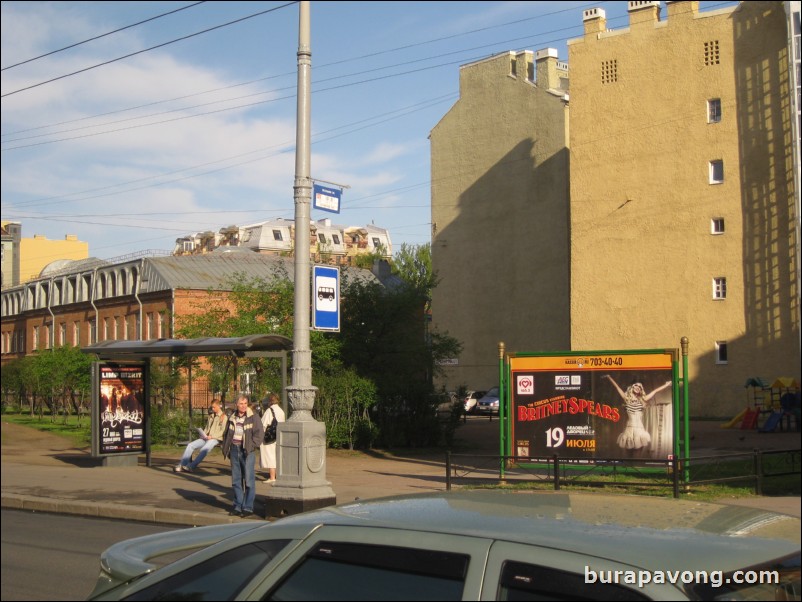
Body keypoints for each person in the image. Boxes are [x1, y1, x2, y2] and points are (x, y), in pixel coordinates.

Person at [221, 394, 264, 518]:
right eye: (241, 403)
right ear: (236, 405)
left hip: (247, 451)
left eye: (245, 403)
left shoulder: (253, 417)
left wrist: (252, 446)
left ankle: (248, 507)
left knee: (249, 480)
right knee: (236, 480)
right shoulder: (232, 417)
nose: (243, 406)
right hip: (234, 449)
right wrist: (226, 448)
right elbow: (226, 434)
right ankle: (238, 505)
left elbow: (259, 433)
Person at [604, 375, 672, 452]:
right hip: (629, 428)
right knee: (629, 451)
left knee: (638, 450)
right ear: (632, 387)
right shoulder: (626, 398)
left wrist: (666, 385)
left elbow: (655, 391)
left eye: (640, 387)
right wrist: (609, 377)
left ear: (641, 390)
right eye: (636, 385)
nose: (638, 387)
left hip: (639, 429)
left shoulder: (643, 399)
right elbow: (617, 387)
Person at [174, 400, 227, 473]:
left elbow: (223, 431)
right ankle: (182, 464)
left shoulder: (223, 417)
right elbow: (207, 428)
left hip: (216, 439)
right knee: (190, 445)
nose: (212, 409)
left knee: (204, 449)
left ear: (218, 406)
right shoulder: (211, 416)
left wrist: (212, 436)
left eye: (214, 407)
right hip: (206, 437)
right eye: (212, 407)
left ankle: (191, 466)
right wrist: (203, 434)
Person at [259, 393, 286, 483]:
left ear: (270, 401)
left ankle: (272, 477)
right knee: (276, 455)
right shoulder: (281, 411)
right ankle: (277, 475)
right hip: (278, 435)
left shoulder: (269, 410)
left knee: (270, 456)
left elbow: (263, 424)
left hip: (269, 436)